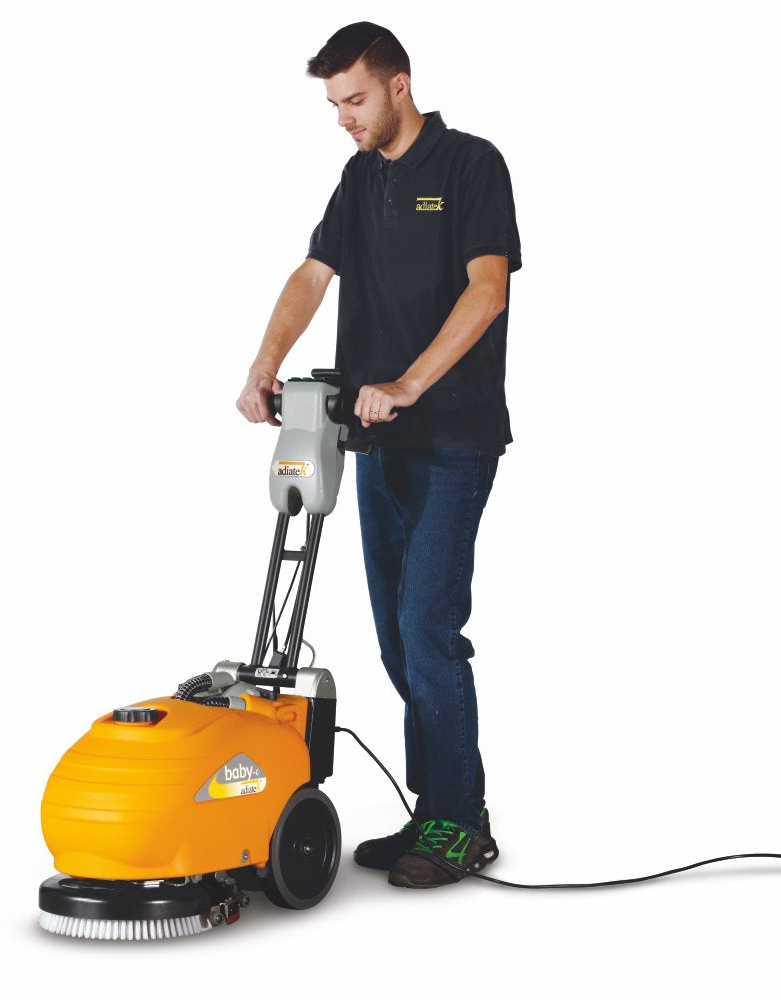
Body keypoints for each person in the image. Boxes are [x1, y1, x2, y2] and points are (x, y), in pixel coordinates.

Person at [235, 21, 522, 890]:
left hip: (454, 439)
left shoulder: (472, 165)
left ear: (400, 85)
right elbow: (313, 274)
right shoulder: (359, 180)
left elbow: (488, 288)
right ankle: (434, 809)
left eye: (354, 99)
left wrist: (406, 384)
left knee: (428, 629)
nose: (344, 119)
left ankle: (462, 824)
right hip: (372, 443)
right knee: (401, 642)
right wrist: (264, 363)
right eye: (333, 104)